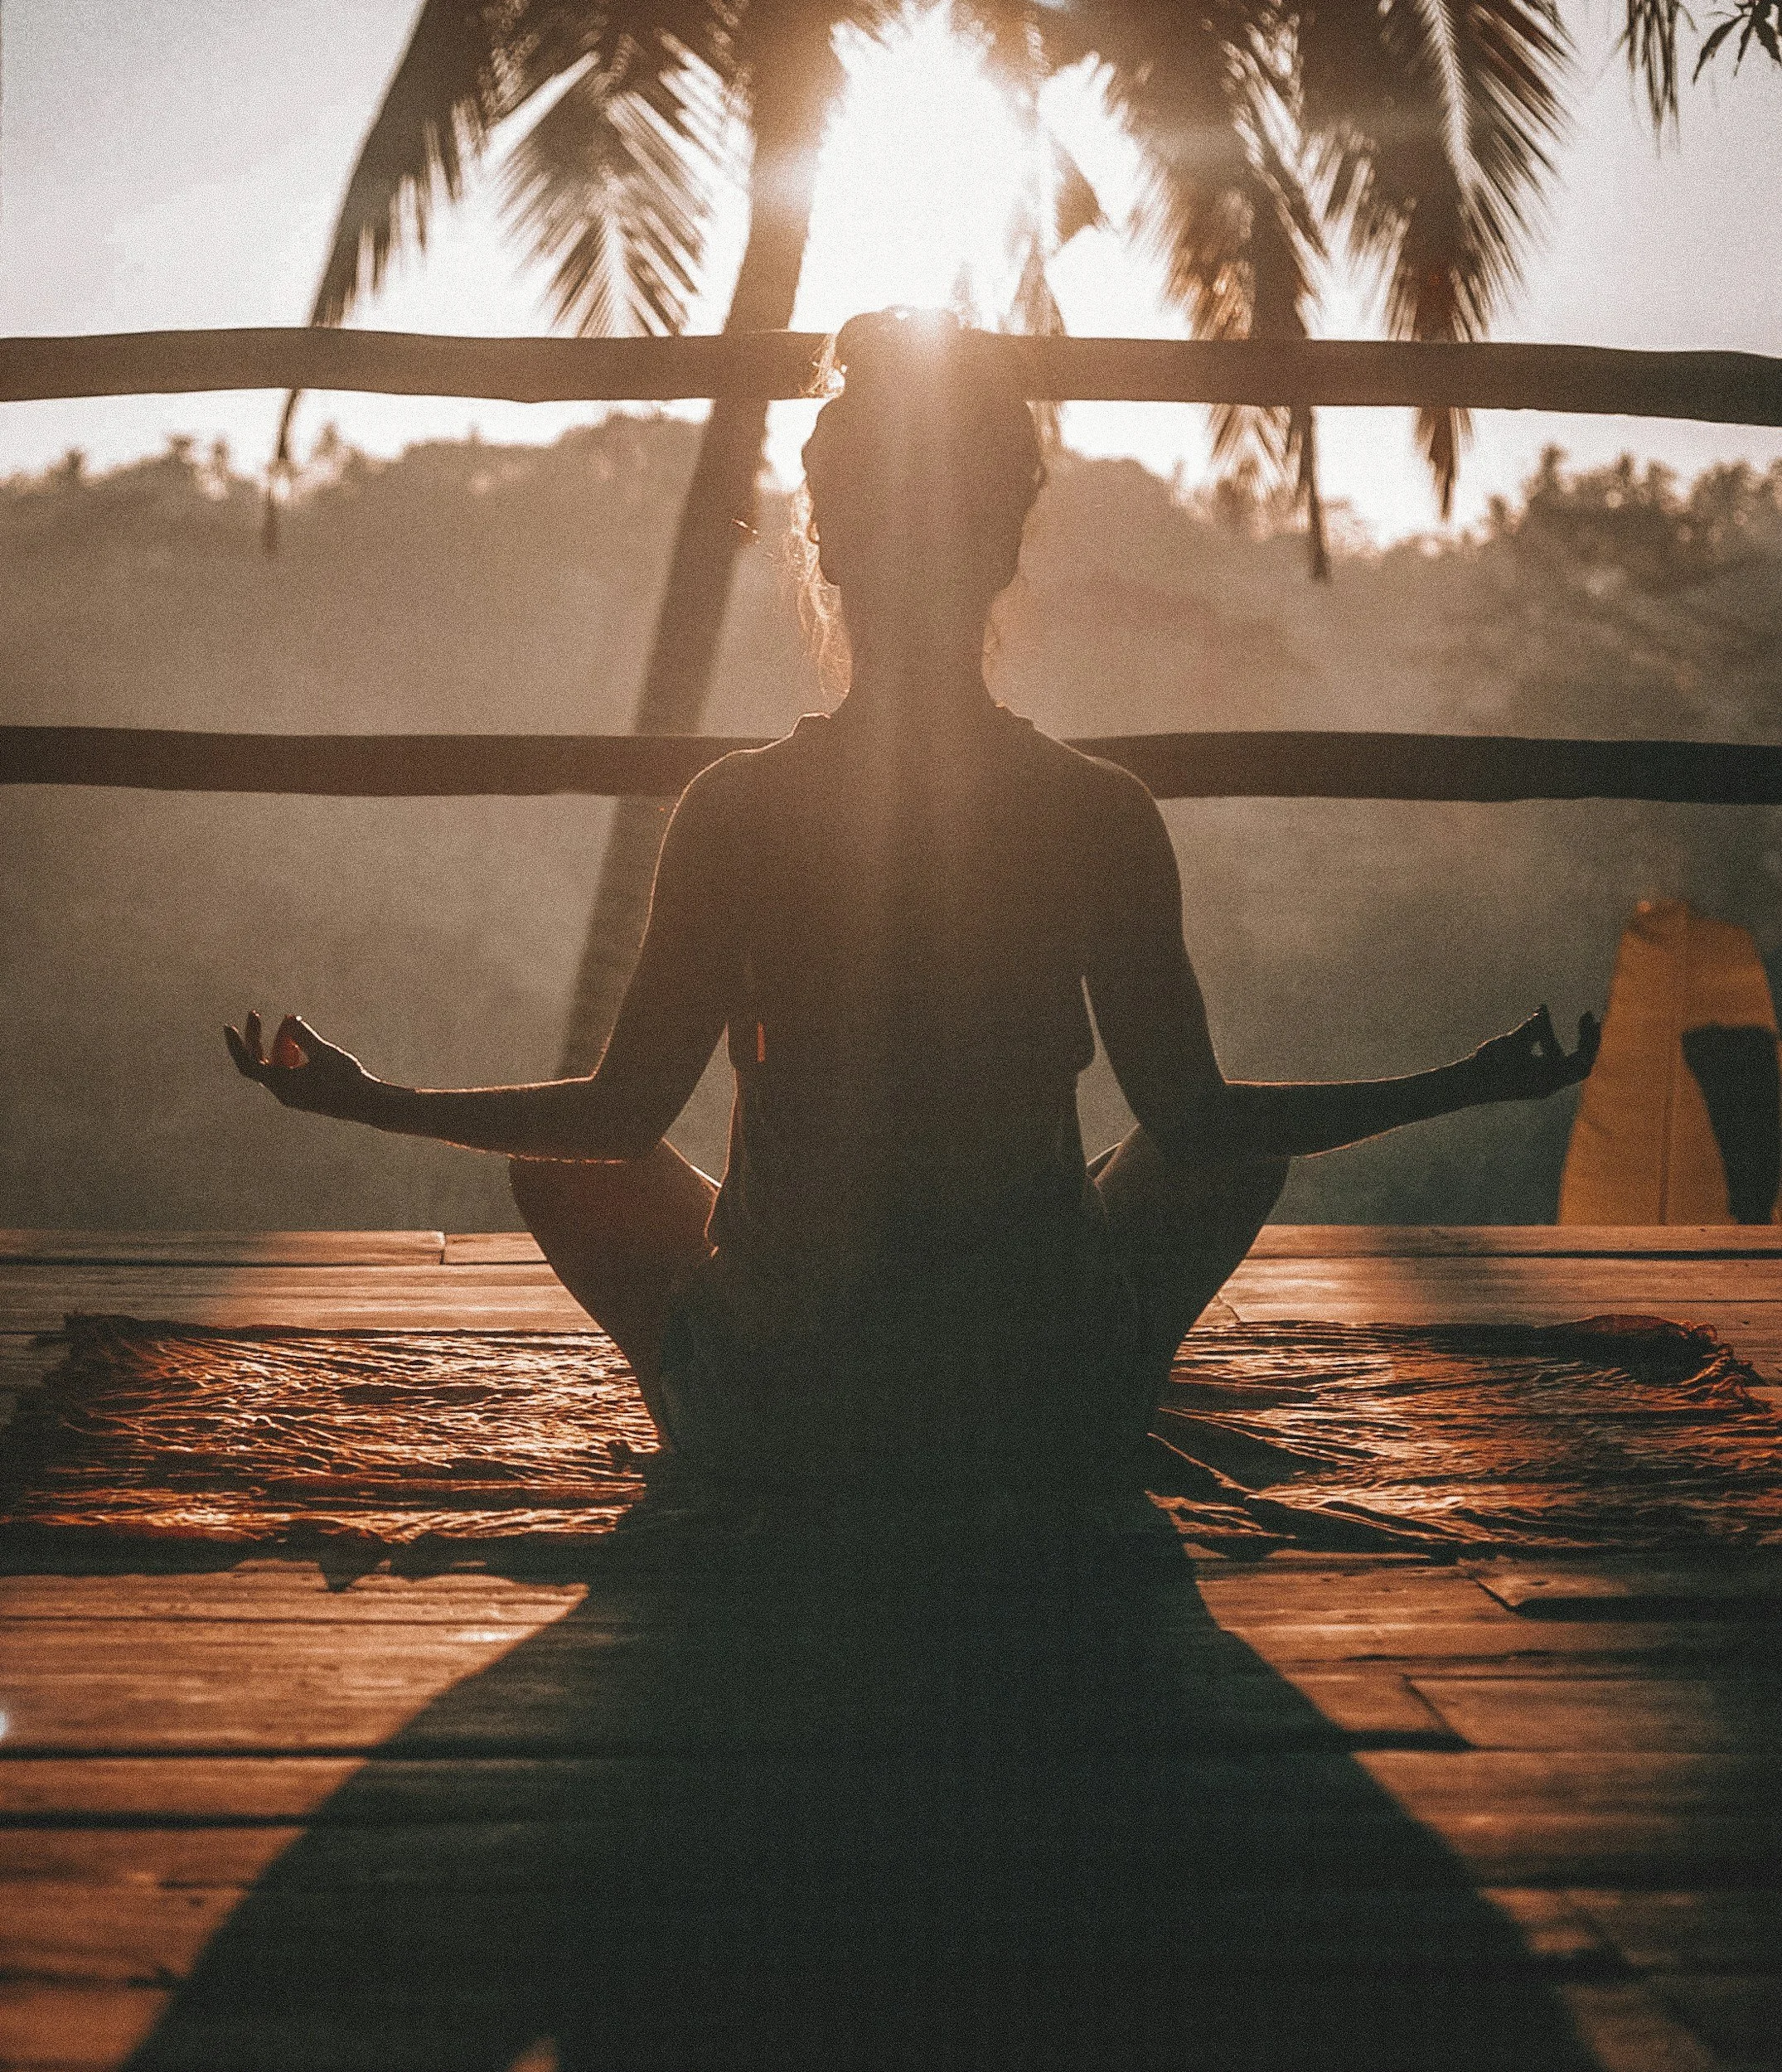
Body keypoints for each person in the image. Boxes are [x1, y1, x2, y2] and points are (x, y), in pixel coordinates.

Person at [228, 307, 1598, 1523]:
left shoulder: (738, 807)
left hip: (789, 1424)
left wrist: (372, 1098)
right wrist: (1465, 1084)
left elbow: (613, 1121)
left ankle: (725, 1421)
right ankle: (1092, 1392)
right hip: (1039, 1417)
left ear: (825, 547)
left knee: (562, 1169)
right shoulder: (1095, 808)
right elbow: (1200, 1125)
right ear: (1004, 545)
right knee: (1226, 1148)